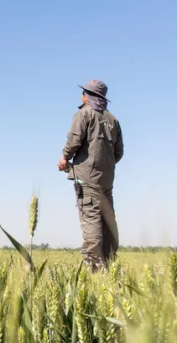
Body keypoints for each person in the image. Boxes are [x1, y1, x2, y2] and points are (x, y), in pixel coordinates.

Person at [58, 80, 124, 272]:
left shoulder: (84, 114)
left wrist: (64, 159)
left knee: (92, 222)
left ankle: (95, 272)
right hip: (106, 181)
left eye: (83, 93)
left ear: (87, 96)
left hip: (87, 181)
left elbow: (73, 142)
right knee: (108, 222)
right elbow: (118, 153)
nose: (81, 96)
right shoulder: (113, 120)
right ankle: (110, 268)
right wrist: (104, 166)